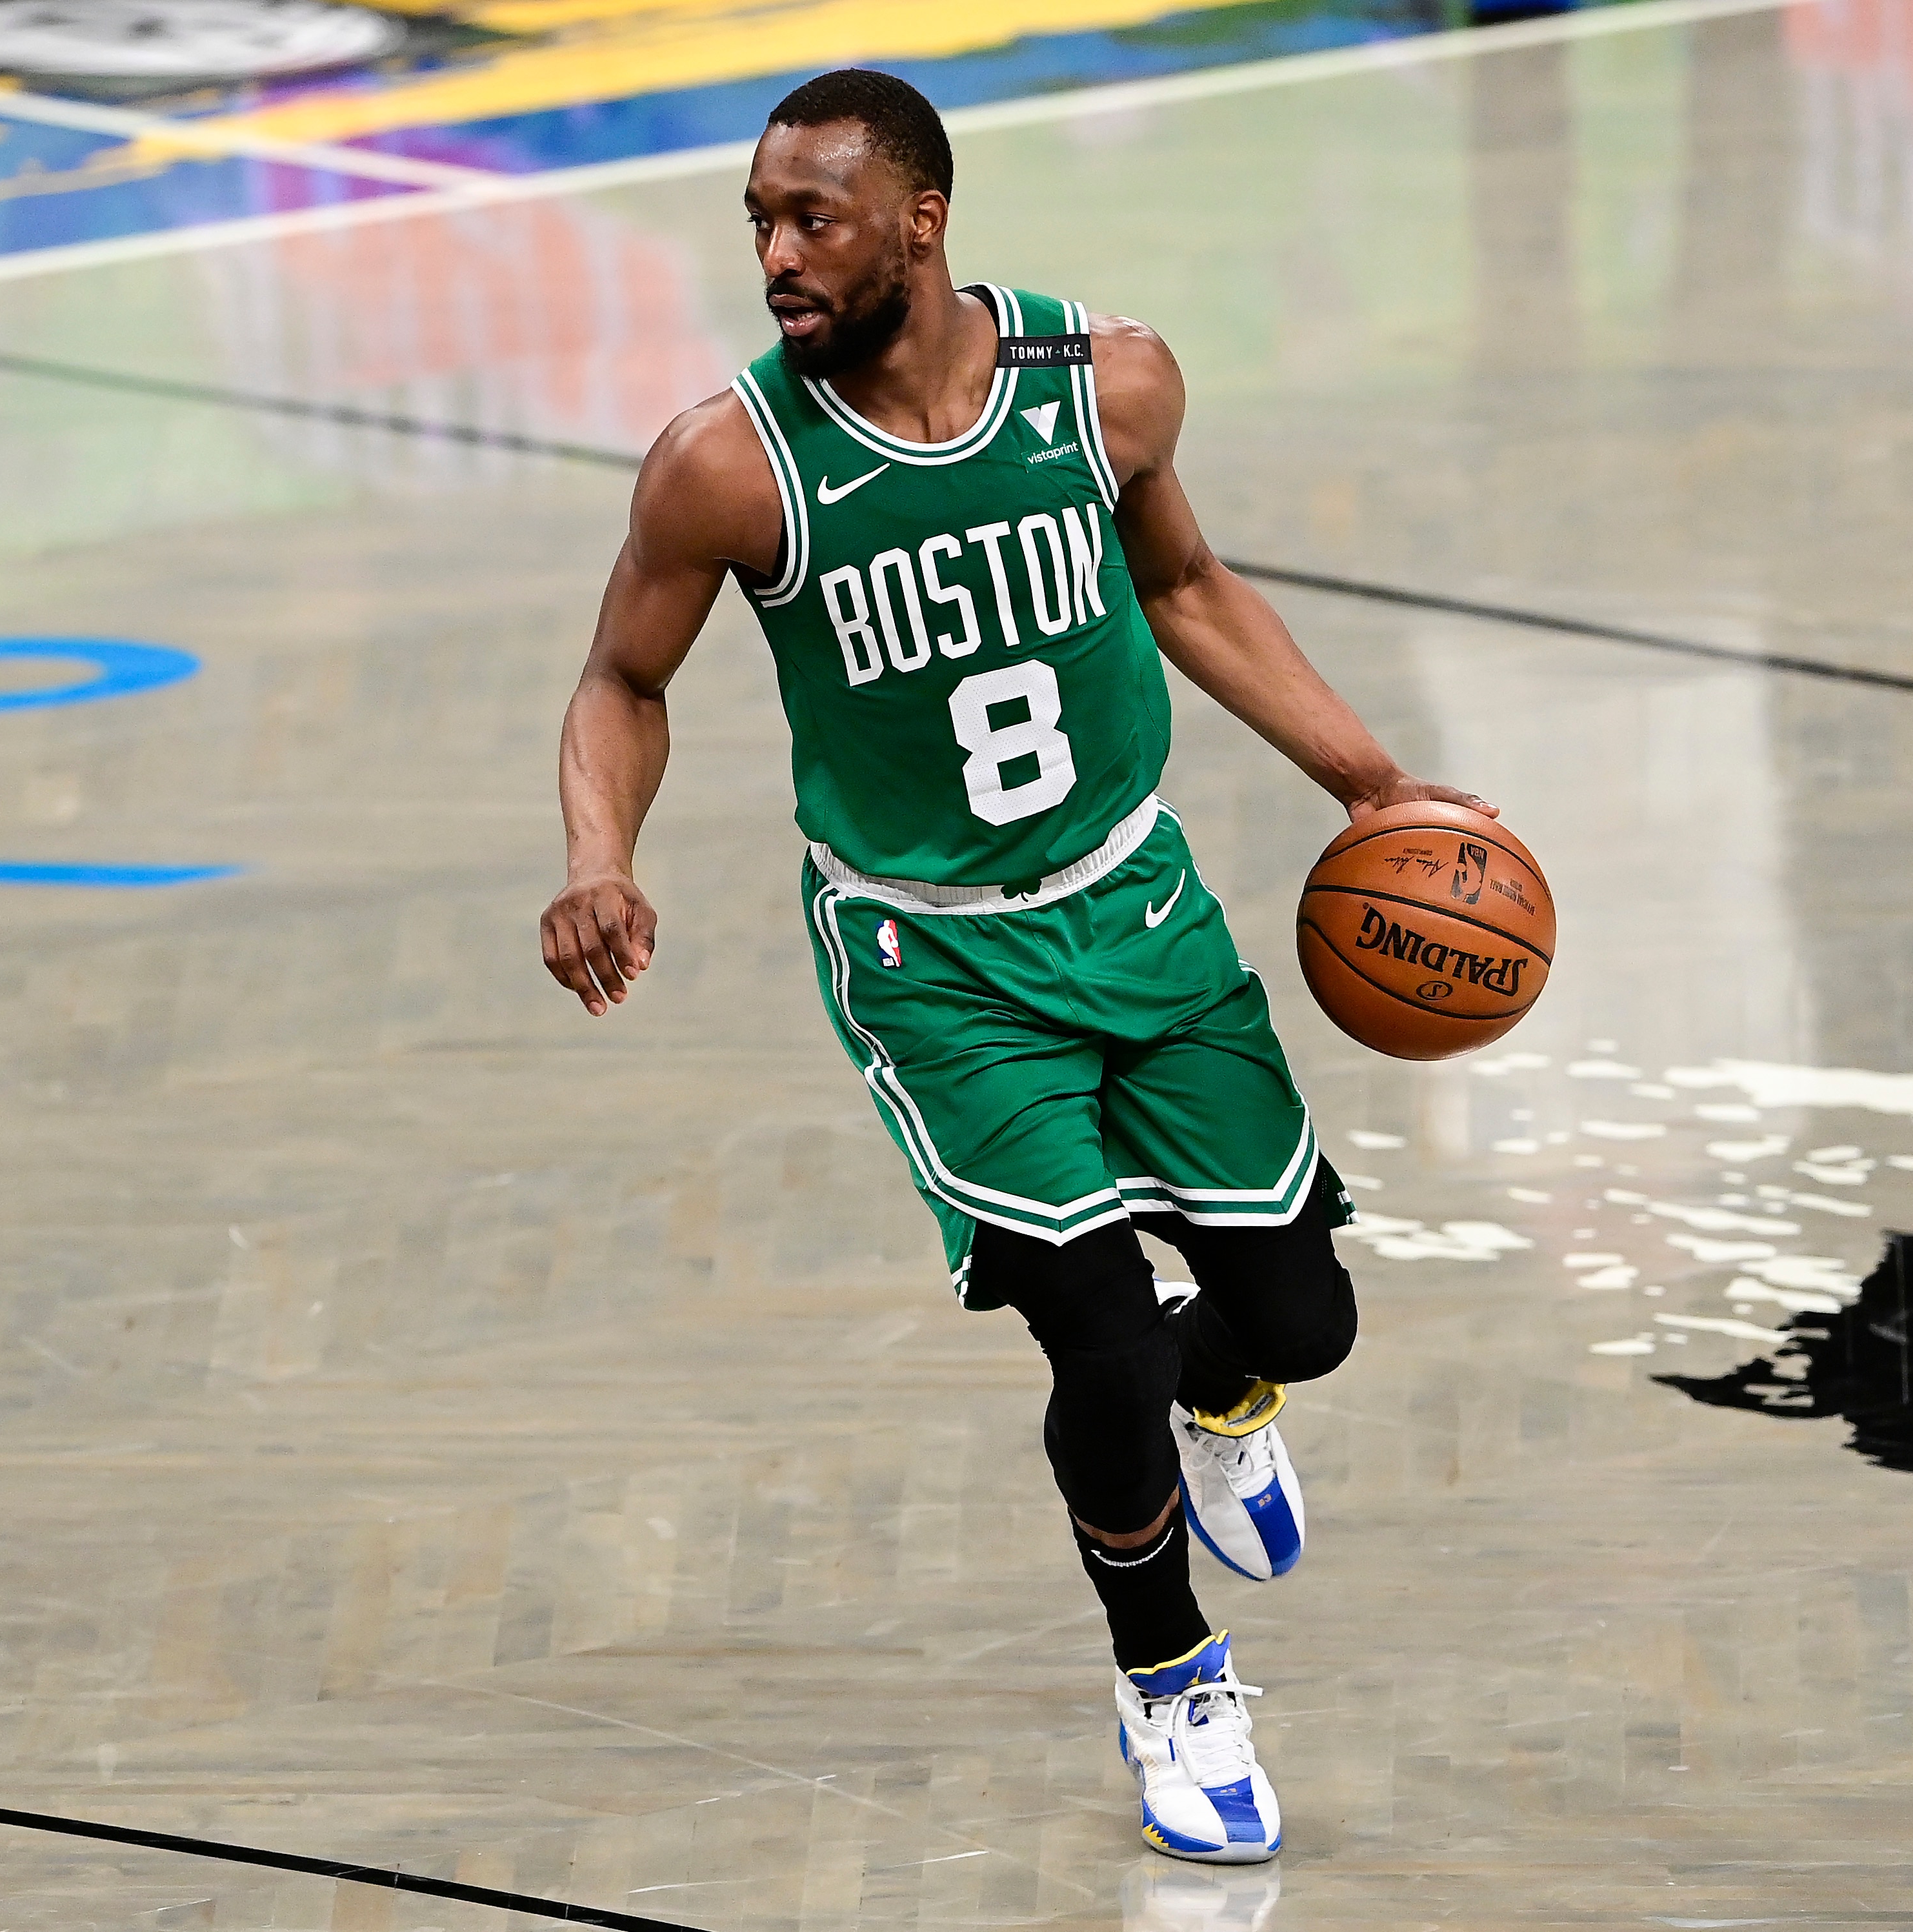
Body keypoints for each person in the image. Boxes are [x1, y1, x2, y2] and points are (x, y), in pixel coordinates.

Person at [538, 67, 1489, 1866]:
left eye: (809, 217)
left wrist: (1367, 779)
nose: (772, 255)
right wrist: (601, 855)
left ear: (921, 219)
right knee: (1094, 1329)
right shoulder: (727, 463)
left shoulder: (1102, 383)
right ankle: (1168, 1672)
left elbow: (1188, 586)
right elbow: (622, 681)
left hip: (1140, 904)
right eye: (755, 219)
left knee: (1301, 1318)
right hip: (936, 958)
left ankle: (1233, 1389)